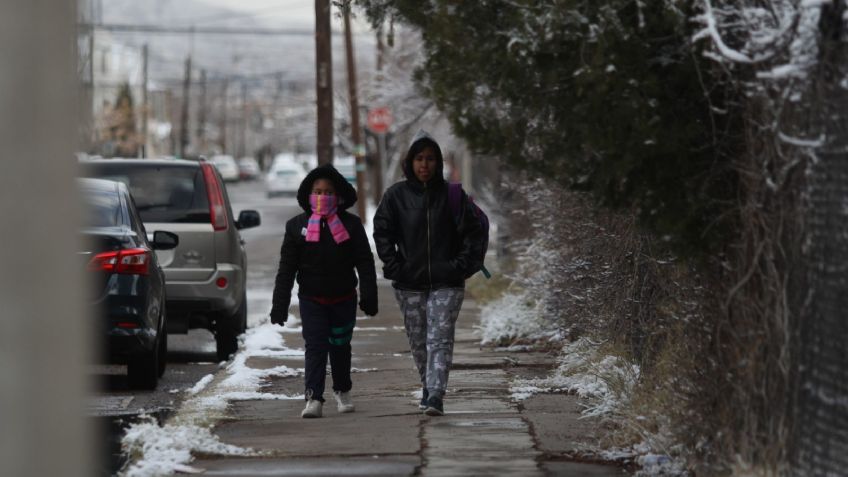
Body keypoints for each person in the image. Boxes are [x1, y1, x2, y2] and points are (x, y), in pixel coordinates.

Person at [373, 131, 483, 416]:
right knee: (419, 341)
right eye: (419, 158)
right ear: (410, 162)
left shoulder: (452, 195)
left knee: (441, 337)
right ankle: (427, 386)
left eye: (431, 159)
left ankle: (436, 394)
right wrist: (396, 266)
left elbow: (475, 233)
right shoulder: (395, 196)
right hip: (409, 284)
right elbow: (382, 232)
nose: (425, 164)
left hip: (448, 283)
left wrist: (460, 266)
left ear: (438, 163)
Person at [270, 164, 378, 418]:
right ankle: (313, 397)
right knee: (316, 345)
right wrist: (279, 304)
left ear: (338, 196)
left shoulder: (350, 225)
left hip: (343, 298)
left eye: (327, 192)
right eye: (317, 191)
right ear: (308, 195)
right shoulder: (296, 226)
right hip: (311, 299)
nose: (322, 197)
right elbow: (286, 269)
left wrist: (369, 295)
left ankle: (342, 390)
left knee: (340, 345)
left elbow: (364, 261)